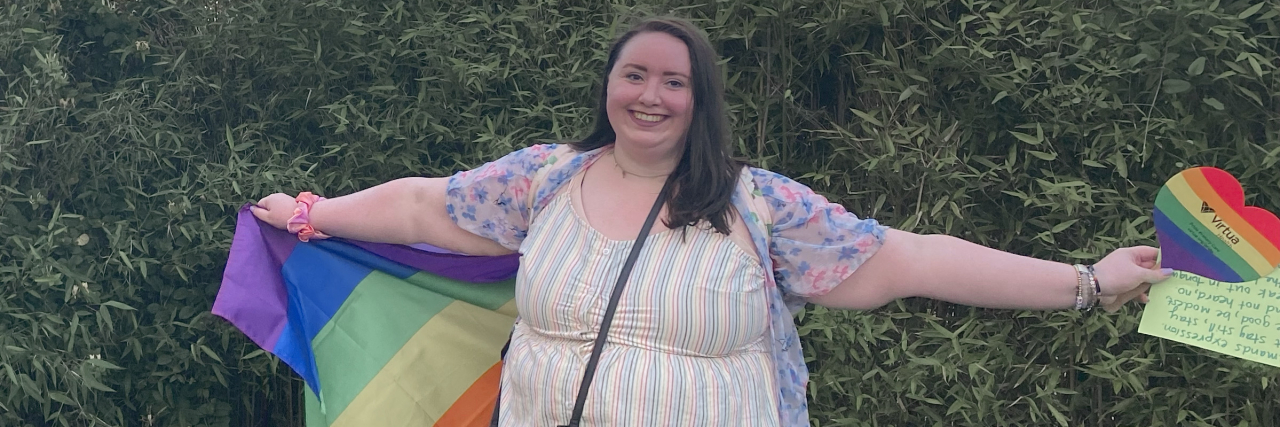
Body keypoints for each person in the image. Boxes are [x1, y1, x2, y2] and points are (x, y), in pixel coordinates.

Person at [250, 16, 1171, 427]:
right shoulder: (542, 181)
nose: (649, 95)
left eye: (672, 80)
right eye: (633, 74)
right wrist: (312, 212)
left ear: (700, 101)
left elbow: (912, 258)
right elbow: (421, 203)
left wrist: (1086, 280)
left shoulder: (760, 205)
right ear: (608, 85)